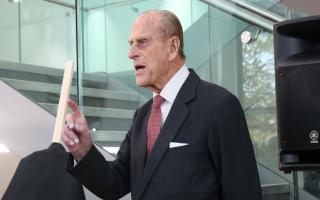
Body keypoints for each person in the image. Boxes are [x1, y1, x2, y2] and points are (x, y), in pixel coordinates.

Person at [62, 9, 262, 200]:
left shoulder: (219, 105)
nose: (131, 53)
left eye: (142, 42)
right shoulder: (143, 115)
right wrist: (83, 150)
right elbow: (113, 184)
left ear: (172, 47)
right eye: (131, 43)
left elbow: (243, 192)